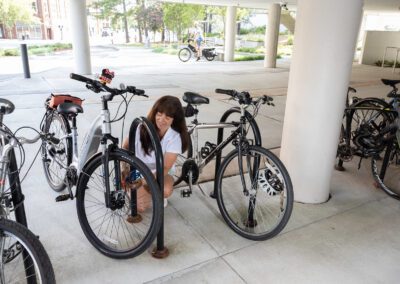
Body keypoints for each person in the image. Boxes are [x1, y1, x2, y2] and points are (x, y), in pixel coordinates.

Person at [122, 96, 189, 212]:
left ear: (175, 119)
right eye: (159, 114)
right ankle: (137, 190)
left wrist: (144, 181)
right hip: (138, 170)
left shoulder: (174, 137)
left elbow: (166, 167)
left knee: (166, 190)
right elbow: (124, 147)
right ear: (154, 113)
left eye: (167, 117)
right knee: (140, 208)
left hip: (159, 172)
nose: (162, 119)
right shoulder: (141, 127)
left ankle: (152, 192)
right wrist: (125, 168)